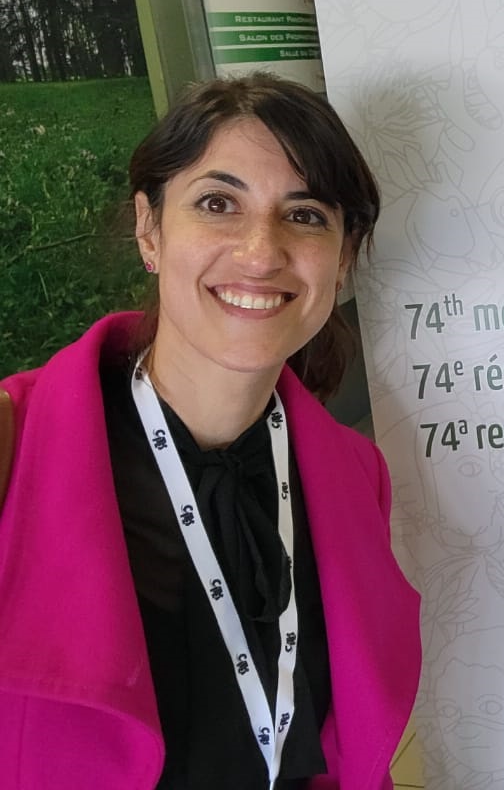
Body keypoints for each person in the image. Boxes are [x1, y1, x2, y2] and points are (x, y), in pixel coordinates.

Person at [0, 74, 421, 789]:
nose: (261, 252)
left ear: (343, 257)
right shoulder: (14, 445)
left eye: (305, 215)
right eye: (218, 203)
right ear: (150, 229)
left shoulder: (358, 475)